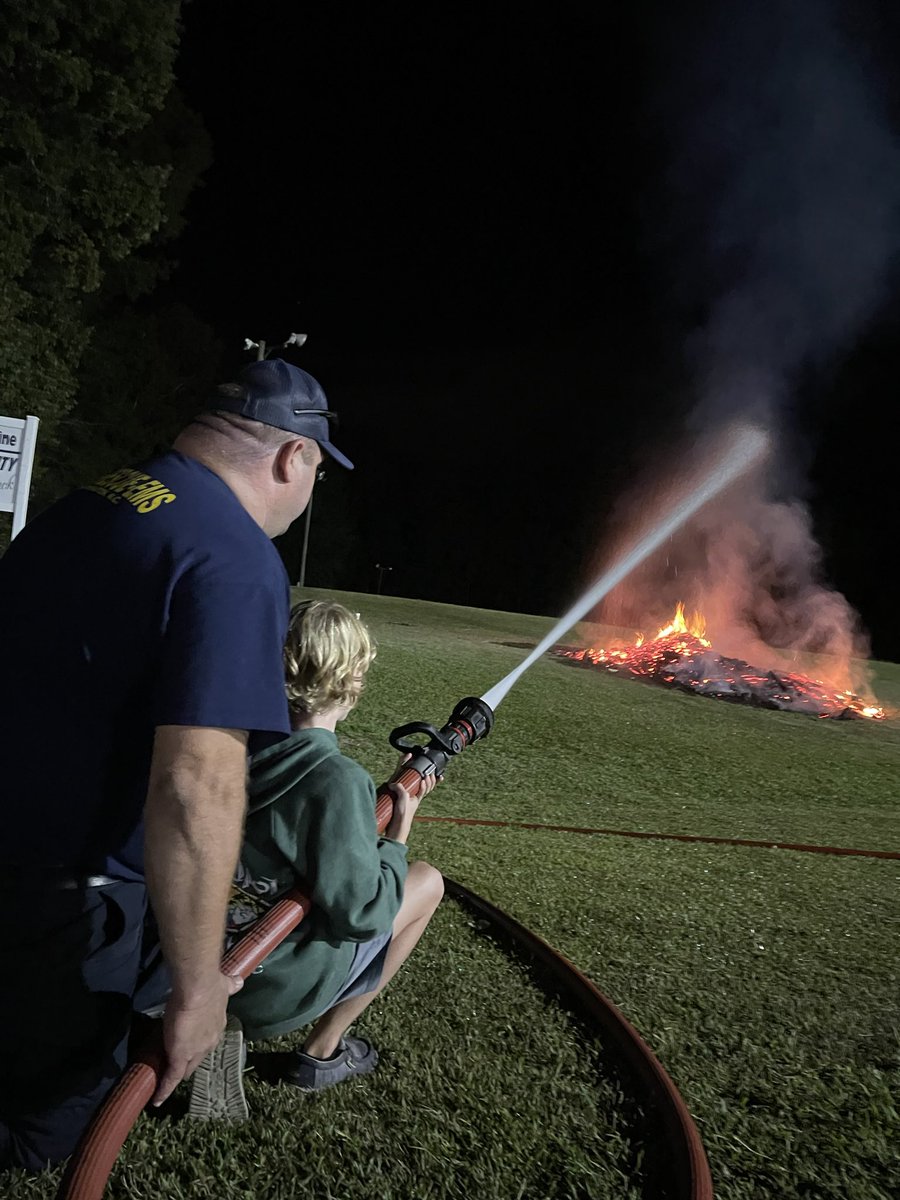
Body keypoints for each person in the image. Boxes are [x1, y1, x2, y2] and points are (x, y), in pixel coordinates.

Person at [0, 358, 353, 1171]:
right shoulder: (232, 558)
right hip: (68, 890)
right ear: (294, 458)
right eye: (317, 475)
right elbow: (196, 783)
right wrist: (200, 989)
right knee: (46, 1130)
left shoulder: (97, 500)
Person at [187, 600, 443, 1117]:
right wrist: (398, 833)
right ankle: (322, 1053)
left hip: (189, 967)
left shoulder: (228, 742)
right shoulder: (337, 780)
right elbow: (363, 913)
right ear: (352, 680)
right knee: (427, 882)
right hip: (268, 984)